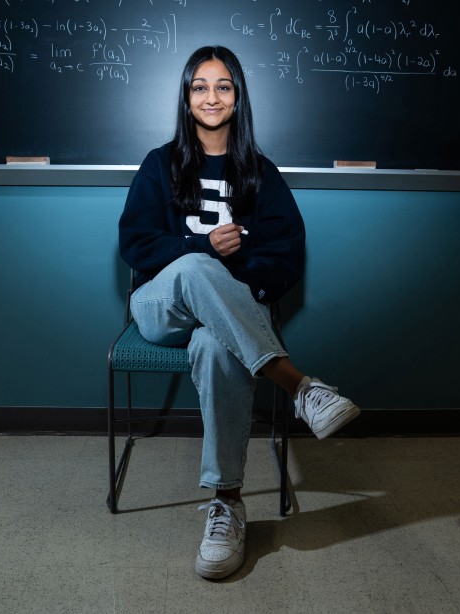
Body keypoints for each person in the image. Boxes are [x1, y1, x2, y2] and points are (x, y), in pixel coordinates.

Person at [118, 45, 360, 580]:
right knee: (195, 266)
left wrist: (236, 262)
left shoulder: (260, 173)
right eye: (200, 86)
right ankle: (299, 387)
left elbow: (287, 255)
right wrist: (201, 247)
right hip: (160, 307)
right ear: (186, 97)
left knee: (215, 343)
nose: (212, 97)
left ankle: (227, 502)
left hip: (224, 320)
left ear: (238, 95)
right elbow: (135, 245)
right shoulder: (160, 164)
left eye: (223, 86)